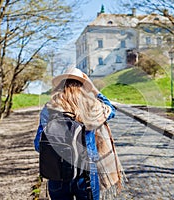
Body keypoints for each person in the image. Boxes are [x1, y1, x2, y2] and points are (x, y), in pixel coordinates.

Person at [34, 68, 125, 200]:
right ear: (83, 87)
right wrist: (94, 89)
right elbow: (111, 110)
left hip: (57, 173)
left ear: (61, 86)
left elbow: (38, 145)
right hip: (86, 174)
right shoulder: (92, 107)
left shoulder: (49, 109)